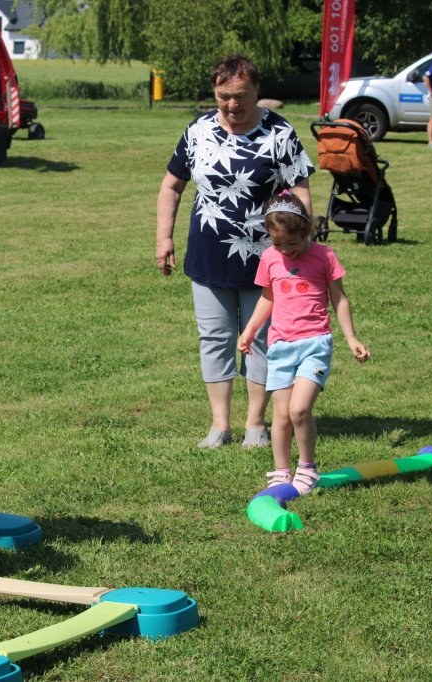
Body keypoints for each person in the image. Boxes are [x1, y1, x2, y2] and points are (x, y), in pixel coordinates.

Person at [156, 54, 315, 450]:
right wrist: (164, 237)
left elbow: (300, 190)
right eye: (223, 96)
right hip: (209, 254)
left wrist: (302, 241)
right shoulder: (198, 130)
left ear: (257, 91)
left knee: (261, 339)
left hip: (269, 258)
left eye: (240, 96)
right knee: (214, 337)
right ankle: (219, 425)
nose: (232, 105)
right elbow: (171, 186)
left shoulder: (280, 133)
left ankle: (256, 424)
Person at [236, 193, 370, 494]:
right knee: (281, 415)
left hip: (315, 344)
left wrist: (351, 338)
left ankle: (307, 468)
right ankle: (282, 471)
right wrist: (250, 330)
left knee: (299, 410)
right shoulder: (271, 258)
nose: (286, 250)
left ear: (307, 230)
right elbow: (267, 297)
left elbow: (339, 297)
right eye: (278, 243)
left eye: (292, 243)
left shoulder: (324, 256)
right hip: (281, 346)